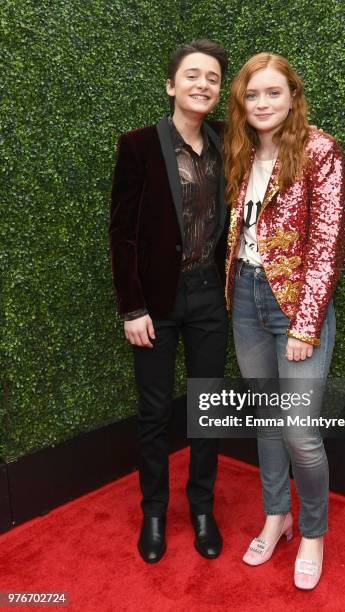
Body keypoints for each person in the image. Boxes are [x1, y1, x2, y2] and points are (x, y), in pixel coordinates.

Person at [224, 52, 345, 589]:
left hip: (295, 307)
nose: (262, 103)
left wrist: (305, 323)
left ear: (293, 96)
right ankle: (278, 516)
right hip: (246, 299)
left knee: (300, 431)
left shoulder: (320, 149)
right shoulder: (241, 149)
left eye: (273, 92)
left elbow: (326, 245)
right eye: (252, 95)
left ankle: (314, 533)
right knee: (267, 421)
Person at [109, 39, 229, 564]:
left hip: (210, 299)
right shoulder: (137, 145)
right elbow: (122, 234)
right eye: (193, 76)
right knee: (155, 412)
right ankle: (154, 512)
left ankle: (201, 507)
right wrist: (132, 309)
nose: (203, 85)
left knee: (207, 410)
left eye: (213, 79)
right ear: (171, 84)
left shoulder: (229, 142)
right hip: (155, 305)